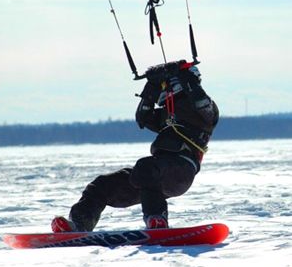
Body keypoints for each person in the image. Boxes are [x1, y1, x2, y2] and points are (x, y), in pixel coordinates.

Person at [51, 60, 219, 232]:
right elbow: (143, 117)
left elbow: (201, 102)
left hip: (181, 171)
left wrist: (185, 76)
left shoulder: (206, 109)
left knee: (146, 167)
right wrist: (151, 86)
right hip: (152, 177)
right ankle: (79, 224)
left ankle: (157, 219)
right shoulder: (166, 114)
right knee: (101, 184)